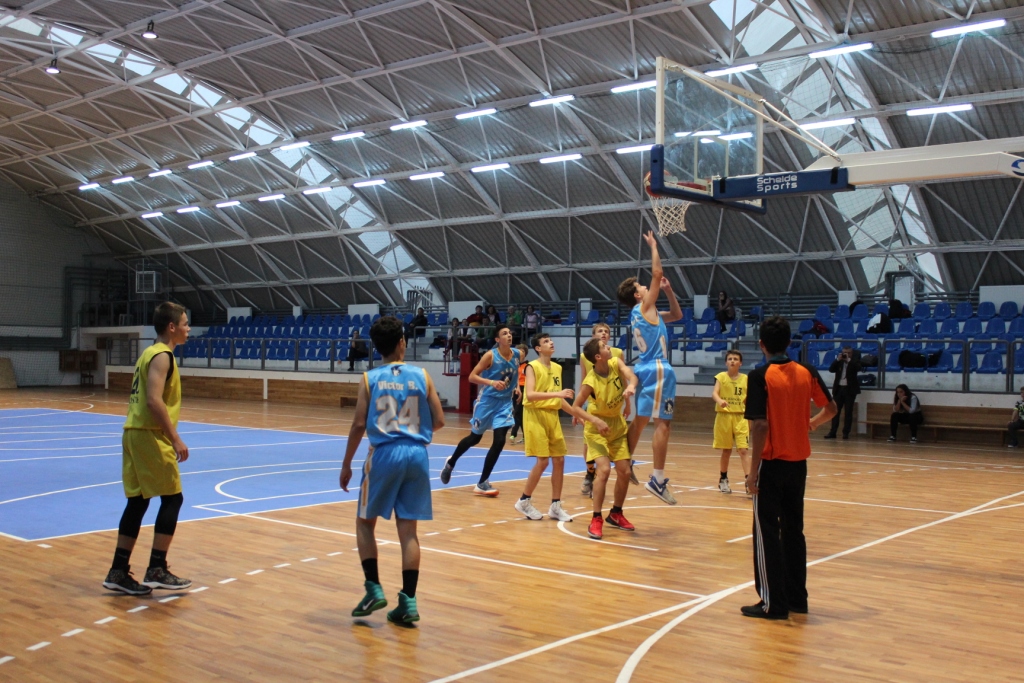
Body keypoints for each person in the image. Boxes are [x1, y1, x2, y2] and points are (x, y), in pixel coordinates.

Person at [340, 315, 445, 624]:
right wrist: (414, 431)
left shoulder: (369, 378)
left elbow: (358, 424)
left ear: (376, 347)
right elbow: (439, 420)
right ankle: (408, 602)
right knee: (408, 530)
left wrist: (346, 464)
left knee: (364, 523)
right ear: (402, 342)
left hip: (384, 454)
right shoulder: (422, 375)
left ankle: (373, 588)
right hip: (417, 454)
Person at [742, 316, 837, 620]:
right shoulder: (807, 372)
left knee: (767, 532)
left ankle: (772, 603)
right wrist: (813, 423)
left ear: (762, 344)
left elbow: (760, 426)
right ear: (789, 343)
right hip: (798, 465)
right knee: (794, 531)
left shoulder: (759, 376)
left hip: (771, 465)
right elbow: (831, 409)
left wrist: (753, 471)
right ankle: (797, 599)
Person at [103, 302, 193, 596]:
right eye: (185, 323)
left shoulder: (148, 353)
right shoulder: (162, 356)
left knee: (138, 502)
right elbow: (154, 401)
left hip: (134, 432)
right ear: (172, 327)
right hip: (149, 435)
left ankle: (118, 571)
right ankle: (157, 568)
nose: (188, 328)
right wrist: (175, 438)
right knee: (173, 498)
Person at [617, 231, 683, 505]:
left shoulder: (643, 313)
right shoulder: (644, 308)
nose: (647, 287)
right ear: (637, 295)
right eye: (643, 287)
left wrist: (668, 291)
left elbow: (677, 315)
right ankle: (657, 479)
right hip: (658, 368)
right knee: (663, 423)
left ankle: (625, 461)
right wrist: (654, 246)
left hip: (646, 366)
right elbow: (657, 272)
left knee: (641, 419)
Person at [440, 325, 520, 497]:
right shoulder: (490, 355)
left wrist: (517, 387)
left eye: (509, 333)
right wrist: (492, 383)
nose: (509, 335)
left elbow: (514, 374)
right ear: (497, 339)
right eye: (504, 333)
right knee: (475, 438)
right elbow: (472, 377)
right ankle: (451, 462)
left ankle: (482, 482)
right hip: (487, 402)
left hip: (505, 403)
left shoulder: (517, 354)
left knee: (499, 441)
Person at [573, 338, 638, 540]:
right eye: (603, 347)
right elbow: (575, 407)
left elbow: (630, 375)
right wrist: (595, 420)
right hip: (597, 428)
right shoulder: (590, 381)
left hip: (616, 425)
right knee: (604, 470)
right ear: (598, 356)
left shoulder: (615, 362)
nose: (608, 346)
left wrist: (631, 386)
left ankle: (616, 513)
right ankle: (596, 518)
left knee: (625, 471)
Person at [514, 333, 577, 522]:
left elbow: (559, 399)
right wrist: (558, 394)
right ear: (538, 348)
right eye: (546, 341)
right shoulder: (532, 367)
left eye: (551, 340)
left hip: (552, 416)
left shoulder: (557, 367)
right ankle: (524, 501)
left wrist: (577, 414)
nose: (551, 343)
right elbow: (531, 395)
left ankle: (555, 506)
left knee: (559, 460)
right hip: (535, 416)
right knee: (542, 462)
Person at [578, 322, 633, 497]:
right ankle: (590, 473)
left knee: (619, 440)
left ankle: (623, 464)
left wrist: (628, 402)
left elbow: (624, 378)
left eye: (606, 331)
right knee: (589, 443)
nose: (603, 333)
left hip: (614, 405)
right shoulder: (585, 356)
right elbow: (584, 380)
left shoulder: (616, 353)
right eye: (600, 331)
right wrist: (580, 409)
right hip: (595, 405)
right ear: (593, 336)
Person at [712, 349, 749, 495]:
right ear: (726, 362)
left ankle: (749, 481)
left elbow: (749, 398)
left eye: (735, 359)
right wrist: (720, 400)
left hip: (741, 417)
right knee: (726, 450)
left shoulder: (746, 379)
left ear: (741, 363)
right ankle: (723, 479)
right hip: (724, 416)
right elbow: (714, 393)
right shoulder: (721, 377)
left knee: (743, 450)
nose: (732, 361)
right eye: (730, 359)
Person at [825, 346, 861, 440]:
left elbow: (858, 368)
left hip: (849, 390)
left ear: (852, 353)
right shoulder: (839, 361)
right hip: (839, 389)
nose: (846, 354)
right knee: (835, 412)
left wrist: (848, 360)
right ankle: (833, 432)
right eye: (845, 352)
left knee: (848, 412)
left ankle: (846, 433)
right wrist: (837, 359)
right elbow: (831, 369)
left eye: (848, 353)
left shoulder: (854, 361)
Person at [509, 343, 529, 445]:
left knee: (517, 412)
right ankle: (526, 437)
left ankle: (513, 434)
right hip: (514, 390)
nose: (521, 353)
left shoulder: (528, 366)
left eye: (523, 351)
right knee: (520, 414)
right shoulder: (513, 364)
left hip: (524, 389)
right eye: (519, 351)